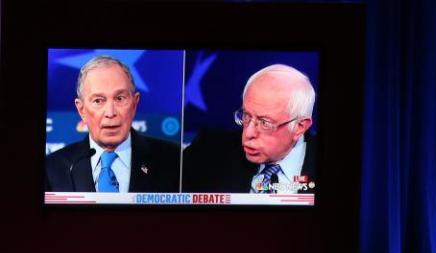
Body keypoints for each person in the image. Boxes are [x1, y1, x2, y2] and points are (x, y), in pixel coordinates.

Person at [45, 54, 179, 192]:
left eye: (120, 98)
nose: (110, 112)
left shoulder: (175, 160)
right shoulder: (54, 168)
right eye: (98, 100)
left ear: (134, 104)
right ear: (82, 110)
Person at [182, 64, 317, 193]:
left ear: (300, 126)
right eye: (246, 116)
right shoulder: (207, 152)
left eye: (265, 123)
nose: (248, 133)